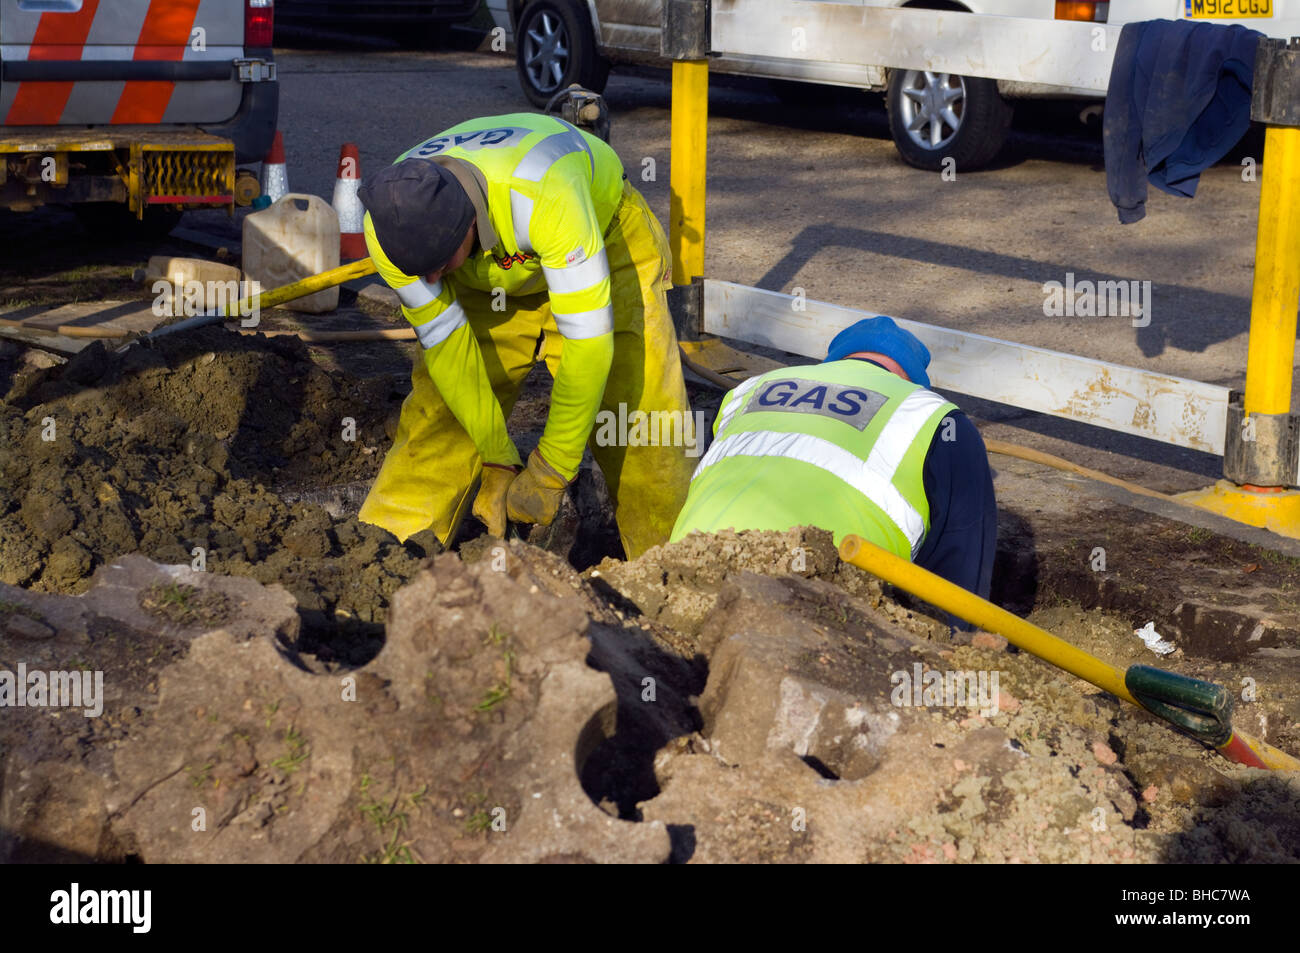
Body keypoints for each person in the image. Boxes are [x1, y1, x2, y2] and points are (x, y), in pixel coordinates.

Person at [356, 112, 695, 558]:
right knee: (438, 421)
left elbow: (590, 346)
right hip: (489, 276)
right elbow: (448, 348)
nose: (432, 278)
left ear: (469, 223)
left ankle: (674, 570)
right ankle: (382, 561)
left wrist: (551, 468)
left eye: (439, 263)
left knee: (640, 424)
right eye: (422, 272)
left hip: (604, 245)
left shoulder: (544, 192)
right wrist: (498, 455)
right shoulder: (387, 230)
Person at [671, 316, 997, 604]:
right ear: (912, 382)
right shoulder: (933, 416)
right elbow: (959, 579)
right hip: (816, 601)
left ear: (833, 364)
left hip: (679, 576)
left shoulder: (747, 390)